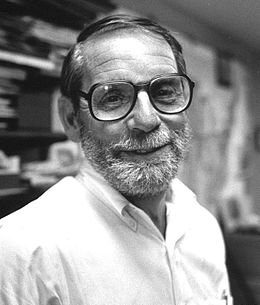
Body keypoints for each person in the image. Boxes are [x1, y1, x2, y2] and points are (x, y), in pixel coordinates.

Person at [0, 14, 232, 305]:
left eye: (164, 92)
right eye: (112, 98)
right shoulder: (22, 250)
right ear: (71, 119)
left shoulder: (202, 225)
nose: (147, 119)